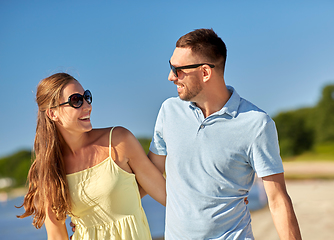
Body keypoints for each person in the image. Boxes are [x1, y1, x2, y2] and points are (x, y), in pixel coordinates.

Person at [148, 28, 302, 239]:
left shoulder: (256, 123)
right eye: (171, 67)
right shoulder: (169, 111)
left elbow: (277, 200)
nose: (170, 77)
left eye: (178, 70)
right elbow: (149, 173)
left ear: (205, 72)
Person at [17, 73, 166, 240]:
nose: (87, 106)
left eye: (87, 97)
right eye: (76, 101)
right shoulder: (49, 169)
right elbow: (56, 235)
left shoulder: (118, 141)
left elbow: (167, 196)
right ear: (53, 114)